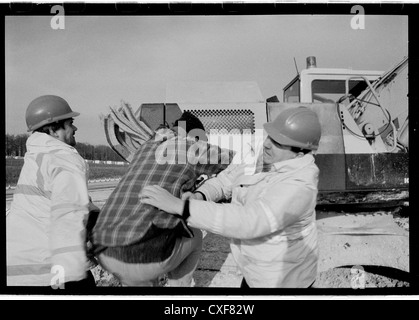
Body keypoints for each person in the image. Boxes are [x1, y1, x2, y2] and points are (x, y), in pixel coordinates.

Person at [141, 106, 322, 288]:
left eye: (279, 143)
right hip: (254, 273)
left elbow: (249, 221)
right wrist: (200, 195)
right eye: (270, 136)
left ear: (299, 153)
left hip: (284, 281)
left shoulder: (300, 186)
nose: (267, 144)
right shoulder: (260, 150)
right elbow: (226, 180)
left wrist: (181, 207)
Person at [91, 111, 233, 287]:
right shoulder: (190, 147)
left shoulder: (146, 146)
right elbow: (237, 162)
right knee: (194, 234)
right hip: (142, 258)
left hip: (105, 251)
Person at [6, 95, 97, 289]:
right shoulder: (63, 158)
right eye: (70, 123)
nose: (75, 129)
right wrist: (75, 269)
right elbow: (69, 216)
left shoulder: (36, 157)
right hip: (51, 272)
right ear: (52, 130)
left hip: (17, 269)